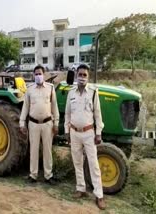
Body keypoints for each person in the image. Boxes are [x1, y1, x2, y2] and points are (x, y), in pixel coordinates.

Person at [64, 64, 106, 210]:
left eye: (84, 75)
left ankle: (99, 195)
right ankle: (81, 189)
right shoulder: (71, 93)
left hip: (89, 134)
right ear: (76, 76)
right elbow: (68, 113)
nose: (82, 77)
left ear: (88, 77)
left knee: (93, 165)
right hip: (74, 132)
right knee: (77, 162)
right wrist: (67, 131)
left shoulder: (93, 93)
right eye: (80, 74)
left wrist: (99, 132)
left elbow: (97, 114)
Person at [20, 65, 59, 184]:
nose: (38, 76)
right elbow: (25, 107)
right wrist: (22, 123)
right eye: (36, 74)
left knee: (47, 150)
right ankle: (33, 175)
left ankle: (48, 175)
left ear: (44, 74)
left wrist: (56, 123)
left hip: (47, 123)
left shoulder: (51, 88)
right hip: (33, 123)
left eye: (40, 74)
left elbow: (54, 107)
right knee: (34, 150)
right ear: (33, 75)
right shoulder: (29, 89)